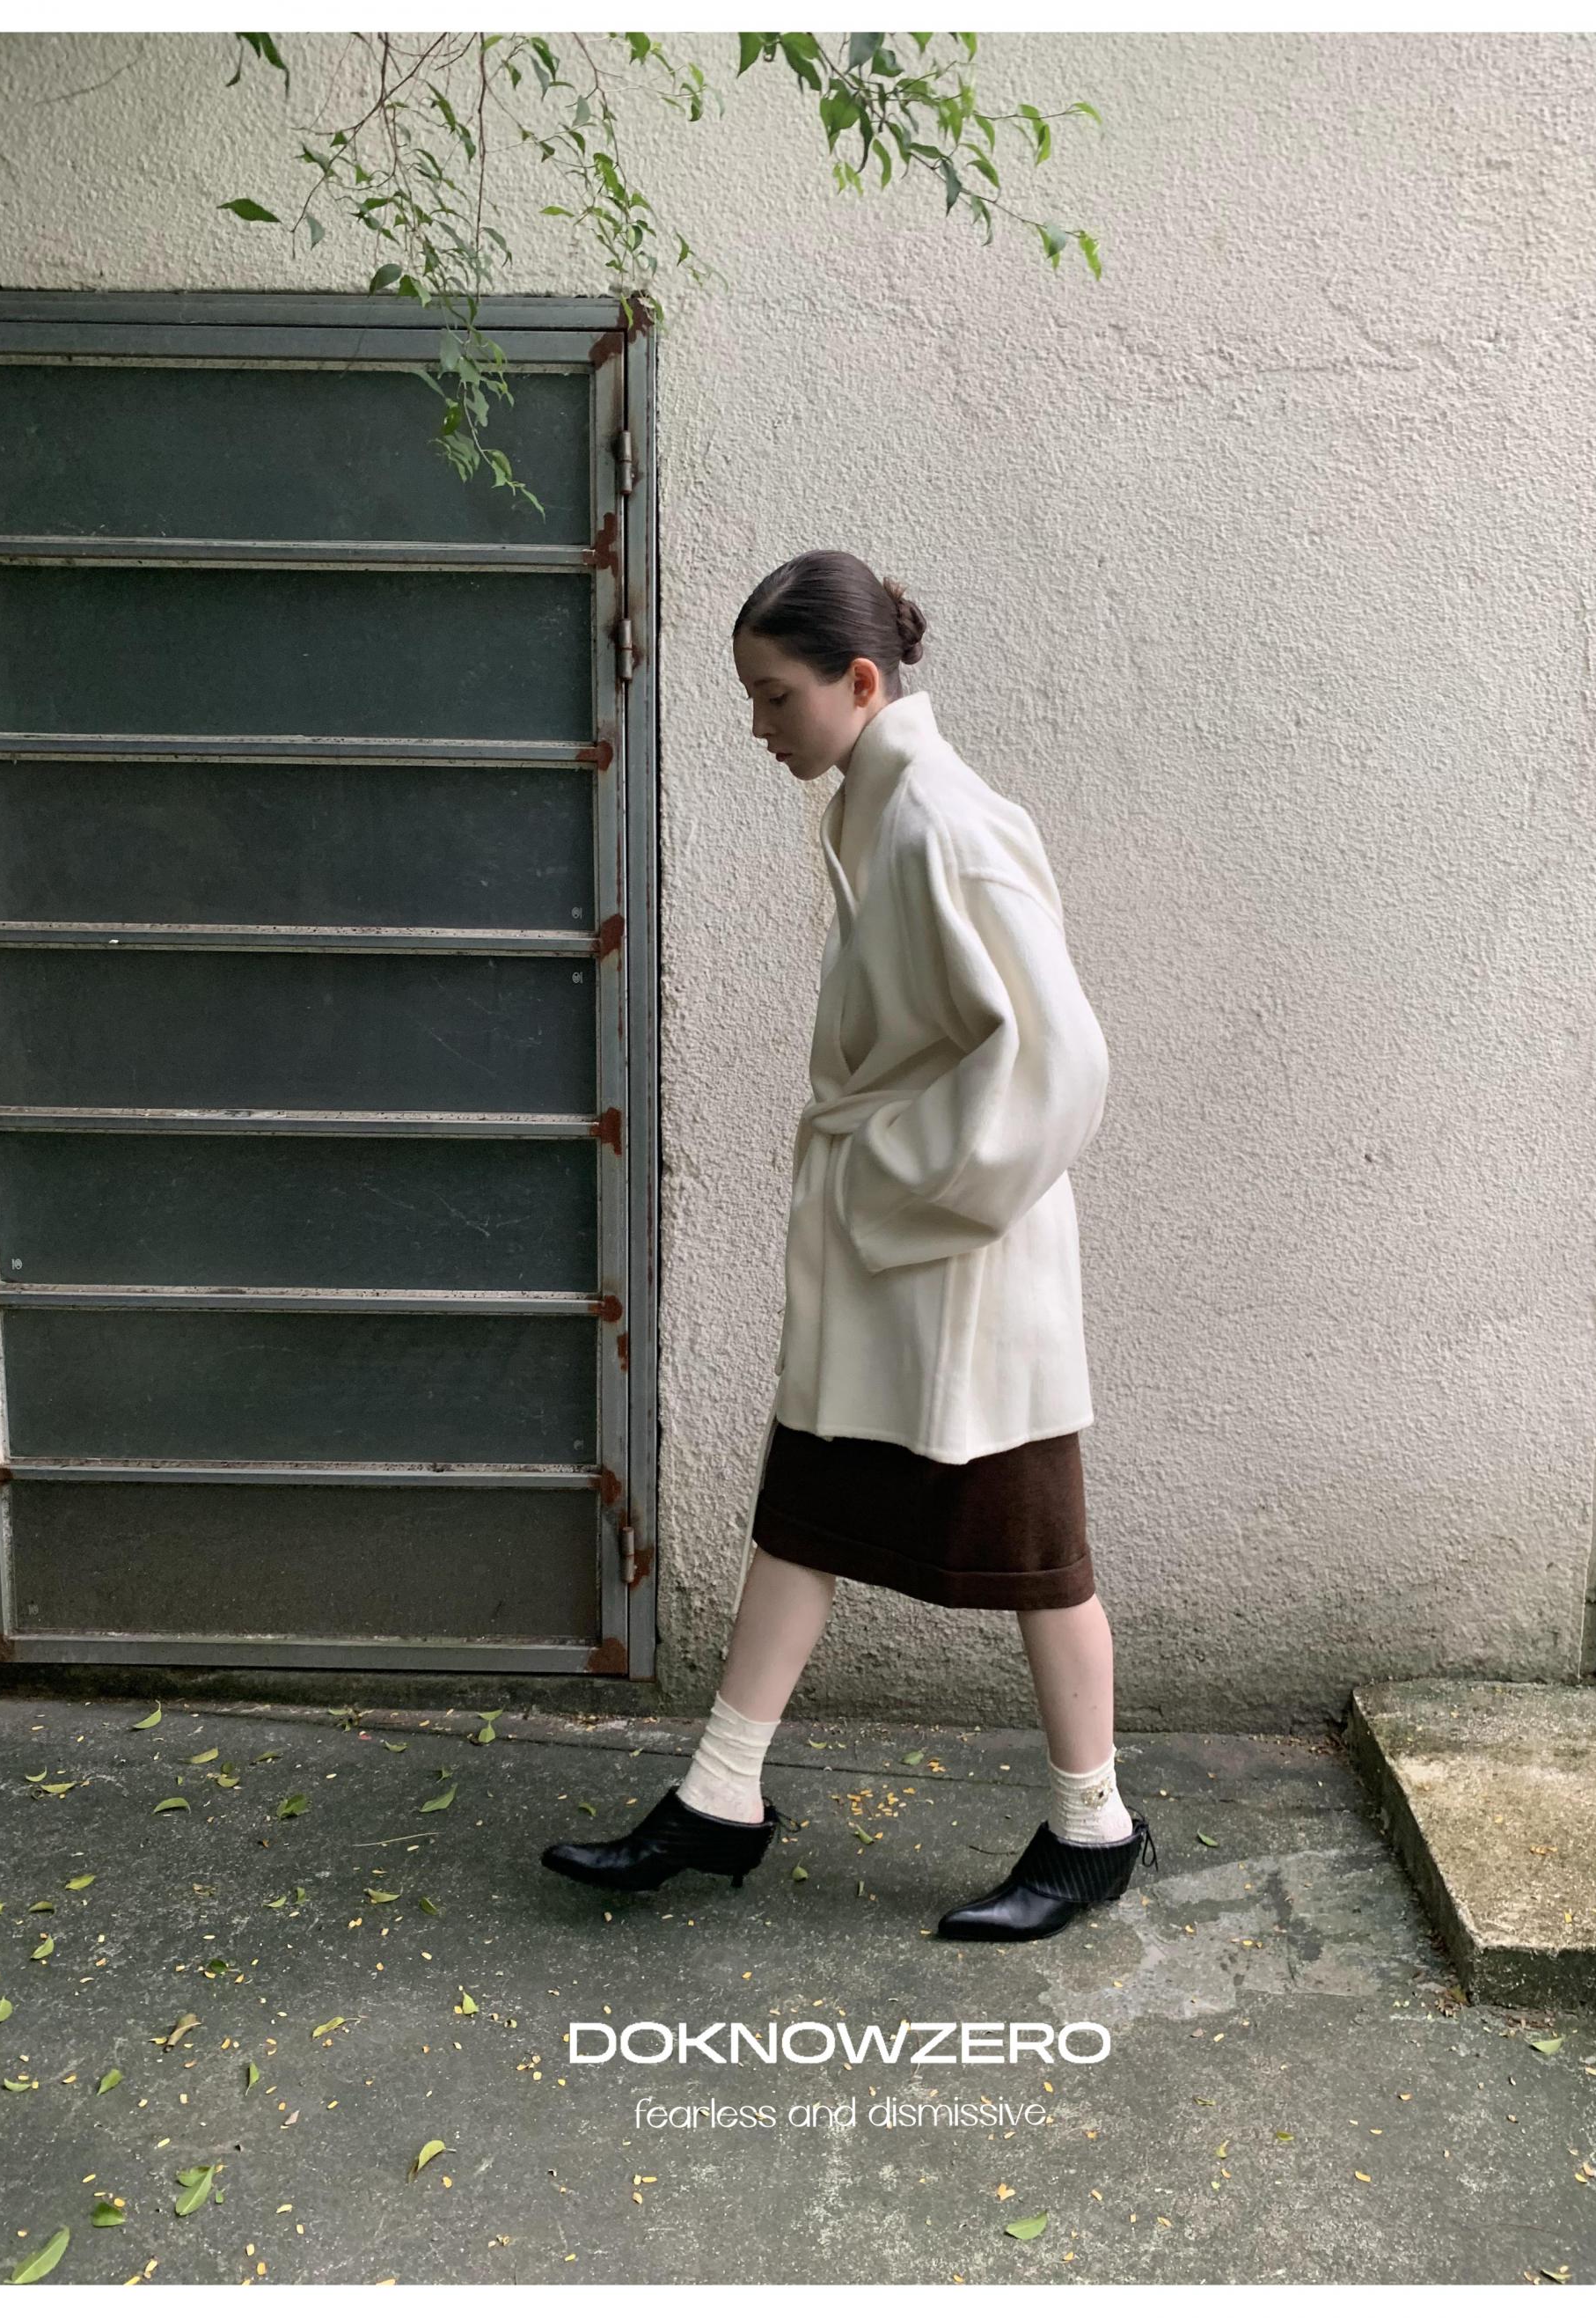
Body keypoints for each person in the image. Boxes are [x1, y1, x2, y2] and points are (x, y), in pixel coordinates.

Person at [542, 550, 1158, 1940]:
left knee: (1038, 1549)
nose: (759, 724)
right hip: (898, 1256)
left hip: (960, 1267)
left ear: (861, 680)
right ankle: (720, 1791)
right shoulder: (881, 808)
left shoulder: (942, 823)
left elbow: (1061, 1060)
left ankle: (1094, 1825)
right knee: (806, 1508)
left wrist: (894, 1179)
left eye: (776, 695)